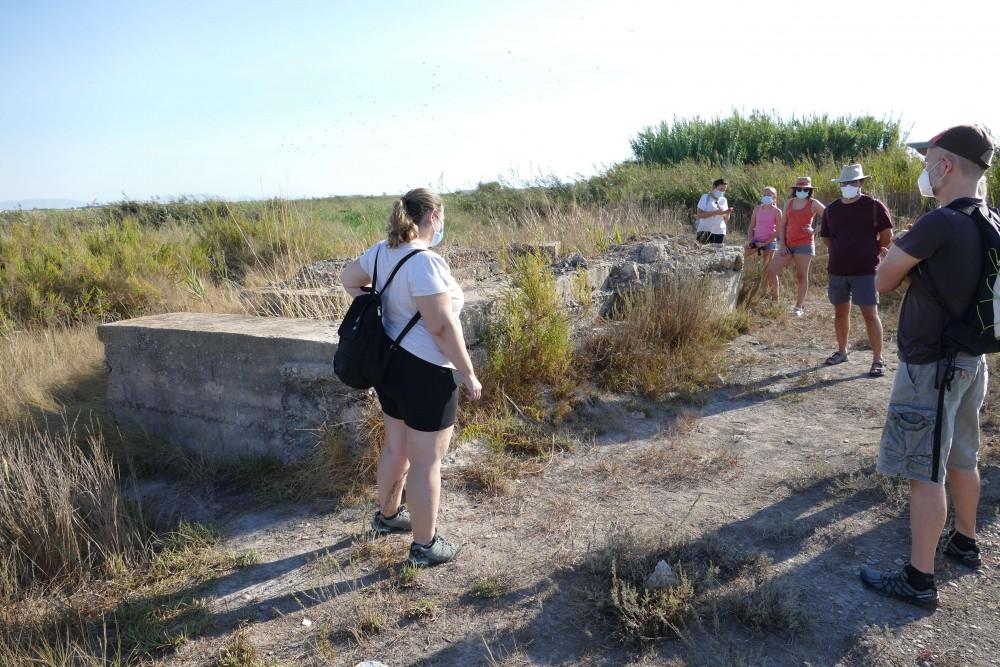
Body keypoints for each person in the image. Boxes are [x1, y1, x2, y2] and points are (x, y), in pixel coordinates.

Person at [861, 124, 996, 607]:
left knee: (924, 471)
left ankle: (919, 579)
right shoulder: (990, 219)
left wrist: (900, 263)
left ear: (945, 165)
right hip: (971, 361)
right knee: (963, 457)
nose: (924, 169)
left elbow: (881, 281)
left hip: (932, 367)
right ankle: (965, 541)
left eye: (928, 160)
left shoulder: (939, 223)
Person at [339, 188, 482, 567]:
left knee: (396, 448)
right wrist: (468, 373)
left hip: (390, 366)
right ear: (432, 216)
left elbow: (348, 279)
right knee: (426, 461)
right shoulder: (426, 263)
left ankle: (387, 517)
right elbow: (441, 327)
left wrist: (378, 305)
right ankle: (424, 545)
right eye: (442, 216)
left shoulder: (381, 252)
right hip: (427, 373)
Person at [819, 164, 892, 376]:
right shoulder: (831, 209)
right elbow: (826, 237)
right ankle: (842, 351)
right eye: (844, 183)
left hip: (866, 271)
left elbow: (886, 235)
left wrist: (873, 250)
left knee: (870, 314)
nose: (848, 186)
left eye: (852, 182)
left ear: (861, 183)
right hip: (837, 270)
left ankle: (878, 359)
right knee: (840, 313)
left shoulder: (874, 206)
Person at [766, 177, 825, 316]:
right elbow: (783, 224)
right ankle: (775, 302)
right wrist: (782, 244)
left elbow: (830, 216)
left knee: (801, 276)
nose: (802, 191)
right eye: (799, 188)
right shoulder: (790, 202)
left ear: (809, 190)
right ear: (795, 189)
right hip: (787, 244)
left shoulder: (813, 203)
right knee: (771, 271)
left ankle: (798, 307)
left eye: (805, 189)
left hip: (804, 244)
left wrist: (815, 230)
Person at [745, 186, 781, 293]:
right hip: (756, 240)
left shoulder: (777, 211)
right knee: (742, 255)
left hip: (769, 242)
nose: (766, 196)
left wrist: (765, 243)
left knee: (766, 269)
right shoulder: (757, 209)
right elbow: (751, 226)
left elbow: (778, 230)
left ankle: (765, 293)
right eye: (764, 194)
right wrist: (750, 240)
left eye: (769, 195)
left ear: (774, 197)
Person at [696, 178, 734, 244]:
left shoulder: (724, 200)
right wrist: (715, 212)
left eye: (724, 190)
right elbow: (700, 215)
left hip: (719, 232)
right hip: (705, 230)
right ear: (714, 187)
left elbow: (726, 219)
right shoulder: (705, 197)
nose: (722, 192)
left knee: (717, 250)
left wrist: (727, 213)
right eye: (720, 189)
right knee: (702, 250)